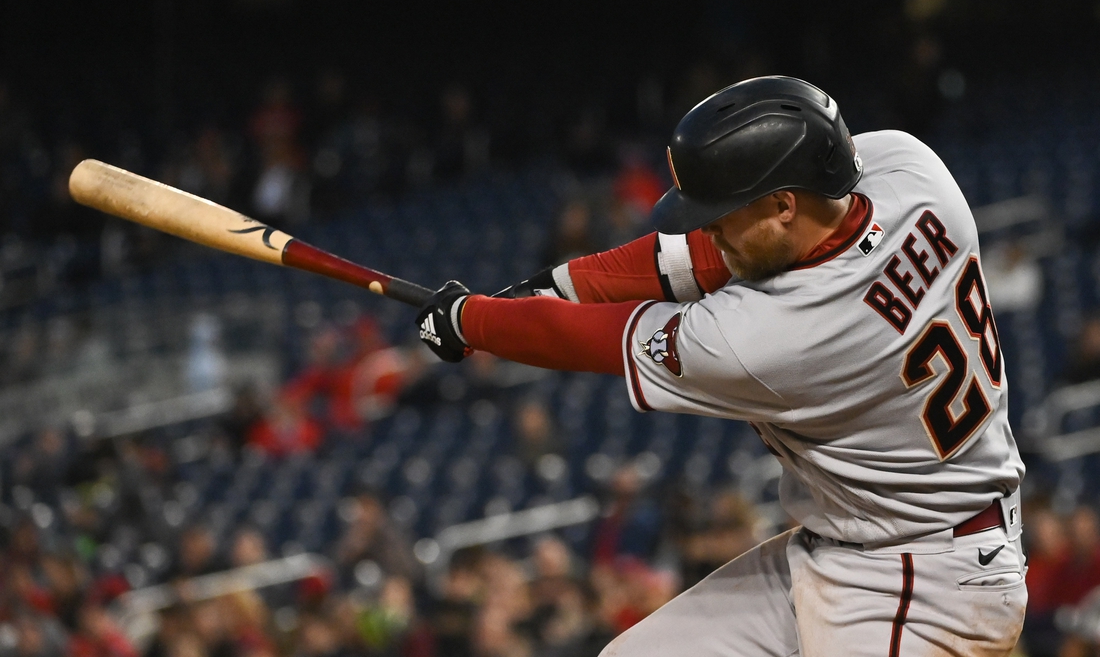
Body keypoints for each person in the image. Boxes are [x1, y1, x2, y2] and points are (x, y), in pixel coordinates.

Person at [414, 76, 1027, 656]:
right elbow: (701, 256)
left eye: (723, 211)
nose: (710, 228)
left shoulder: (775, 336)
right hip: (851, 544)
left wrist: (472, 321)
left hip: (927, 579)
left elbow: (597, 338)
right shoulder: (911, 169)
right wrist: (547, 286)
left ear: (785, 204)